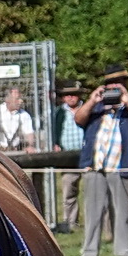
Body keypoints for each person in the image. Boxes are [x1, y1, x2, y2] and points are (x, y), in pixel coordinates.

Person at [73, 65, 128, 256]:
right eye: (109, 84)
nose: (113, 87)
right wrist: (92, 100)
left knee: (123, 212)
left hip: (121, 167)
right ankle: (89, 254)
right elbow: (78, 119)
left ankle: (125, 254)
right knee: (92, 212)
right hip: (95, 167)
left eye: (118, 83)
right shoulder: (96, 108)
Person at [51, 82, 83, 233]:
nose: (70, 97)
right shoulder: (58, 113)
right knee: (69, 190)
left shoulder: (87, 108)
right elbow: (53, 131)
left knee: (94, 190)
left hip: (87, 155)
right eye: (67, 95)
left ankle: (95, 222)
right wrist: (55, 144)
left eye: (73, 94)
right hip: (67, 157)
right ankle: (71, 222)